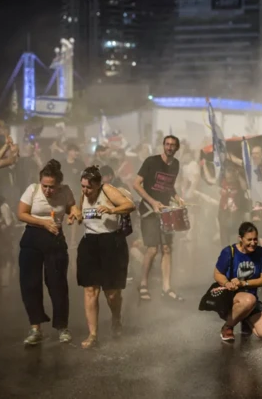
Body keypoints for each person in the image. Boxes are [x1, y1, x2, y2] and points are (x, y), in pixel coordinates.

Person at [16, 160, 80, 346]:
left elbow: (71, 207)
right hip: (33, 237)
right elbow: (21, 213)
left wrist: (74, 212)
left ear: (58, 184)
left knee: (57, 284)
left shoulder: (65, 191)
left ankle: (62, 327)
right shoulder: (33, 190)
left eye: (52, 187)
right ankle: (35, 328)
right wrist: (43, 222)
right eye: (45, 185)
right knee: (30, 284)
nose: (47, 190)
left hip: (55, 240)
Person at [77, 166, 136, 348]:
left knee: (112, 294)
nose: (85, 191)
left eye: (88, 187)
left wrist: (111, 210)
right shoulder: (83, 195)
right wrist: (75, 216)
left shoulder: (107, 189)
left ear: (97, 185)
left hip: (111, 242)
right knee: (90, 290)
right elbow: (80, 214)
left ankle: (116, 318)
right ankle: (93, 335)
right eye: (82, 186)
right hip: (90, 243)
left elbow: (130, 205)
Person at [133, 135, 184, 302]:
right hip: (148, 210)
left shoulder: (175, 164)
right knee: (152, 249)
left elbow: (169, 187)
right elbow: (136, 184)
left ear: (177, 148)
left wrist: (177, 197)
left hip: (165, 212)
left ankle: (166, 287)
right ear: (163, 146)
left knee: (167, 248)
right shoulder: (151, 161)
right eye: (167, 144)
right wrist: (153, 202)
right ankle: (143, 284)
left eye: (173, 145)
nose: (169, 147)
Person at [213, 222, 262, 342]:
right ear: (240, 238)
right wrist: (227, 283)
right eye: (249, 239)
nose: (253, 243)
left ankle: (245, 316)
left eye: (255, 239)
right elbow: (217, 274)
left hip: (251, 299)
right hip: (230, 298)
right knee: (249, 300)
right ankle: (227, 327)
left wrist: (244, 283)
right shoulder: (229, 252)